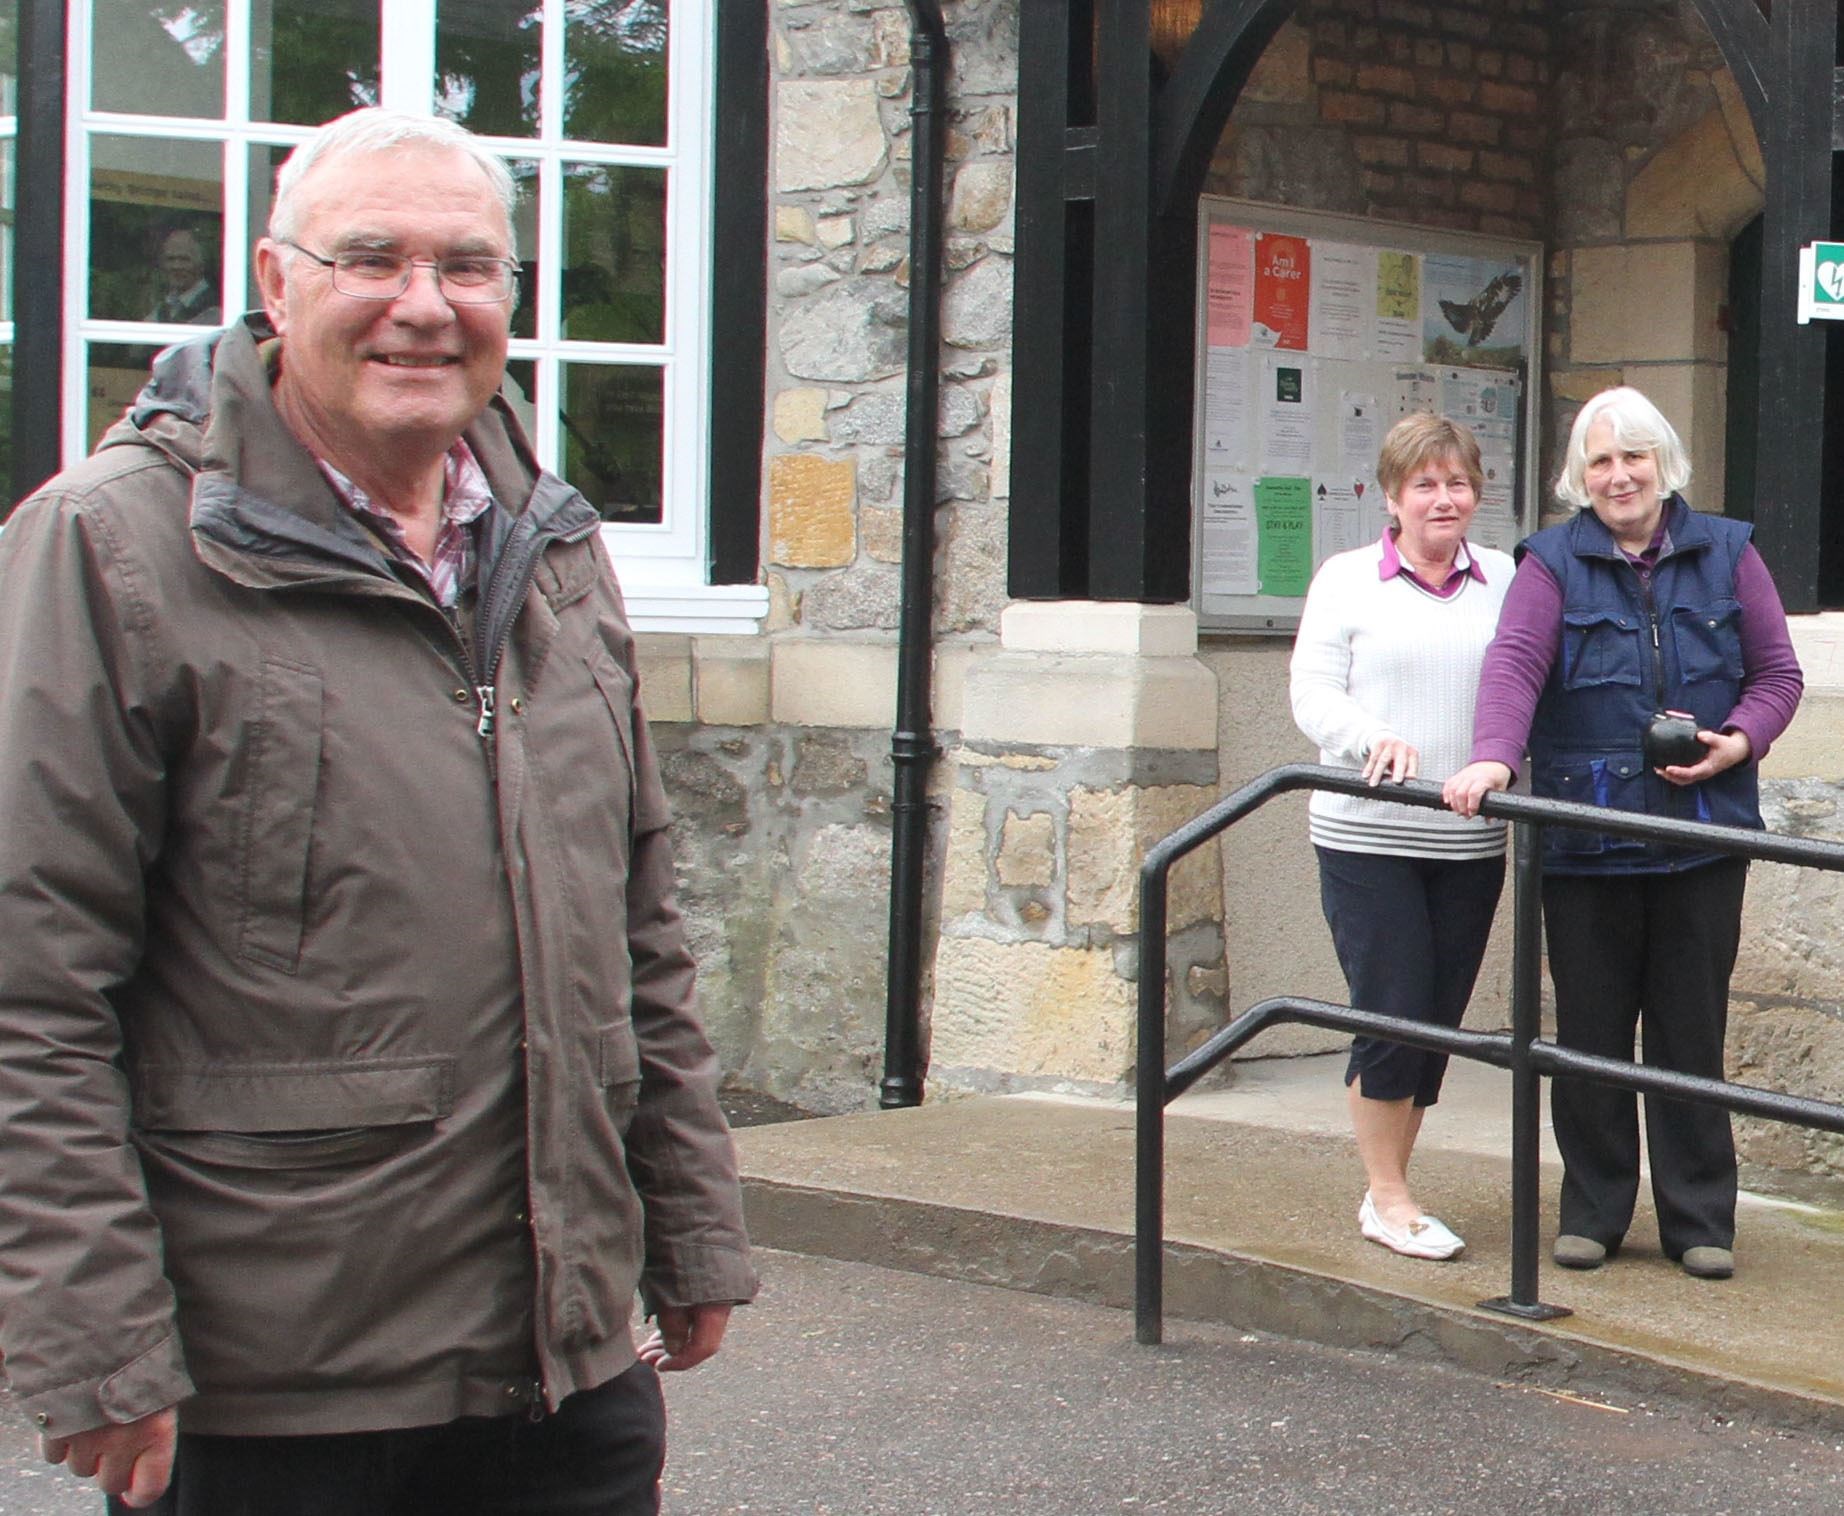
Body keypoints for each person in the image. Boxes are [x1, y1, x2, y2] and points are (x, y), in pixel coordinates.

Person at [0, 107, 756, 1515]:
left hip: (565, 1371)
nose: (424, 306)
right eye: (373, 260)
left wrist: (692, 1225)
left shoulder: (556, 547)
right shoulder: (112, 548)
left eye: (468, 267)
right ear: (277, 287)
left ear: (510, 302)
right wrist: (96, 1338)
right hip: (276, 1388)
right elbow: (30, 988)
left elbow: (637, 921)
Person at [1445, 386, 1803, 1281]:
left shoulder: (1730, 551)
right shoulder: (1551, 563)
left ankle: (1699, 1220)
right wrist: (1493, 758)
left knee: (1691, 1030)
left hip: (1705, 837)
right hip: (1585, 838)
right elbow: (1516, 665)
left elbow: (1778, 674)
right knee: (1592, 1032)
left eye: (1632, 457)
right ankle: (1594, 1210)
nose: (1618, 476)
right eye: (1600, 461)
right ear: (1581, 476)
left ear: (1663, 463)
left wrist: (1739, 743)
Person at [1290, 413, 1514, 1262]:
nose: (1442, 498)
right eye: (1424, 483)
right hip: (1367, 836)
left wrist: (1502, 764)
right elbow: (1312, 692)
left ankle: (1390, 1186)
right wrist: (1366, 737)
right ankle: (1390, 1197)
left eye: (1457, 482)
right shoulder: (1348, 580)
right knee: (1393, 1011)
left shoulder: (1502, 578)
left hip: (1467, 842)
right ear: (1392, 495)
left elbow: (1524, 682)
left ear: (1476, 493)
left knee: (1436, 1022)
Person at [146, 227, 222, 325]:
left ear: (201, 264)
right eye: (170, 259)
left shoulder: (215, 310)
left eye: (184, 259)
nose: (176, 266)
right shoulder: (162, 308)